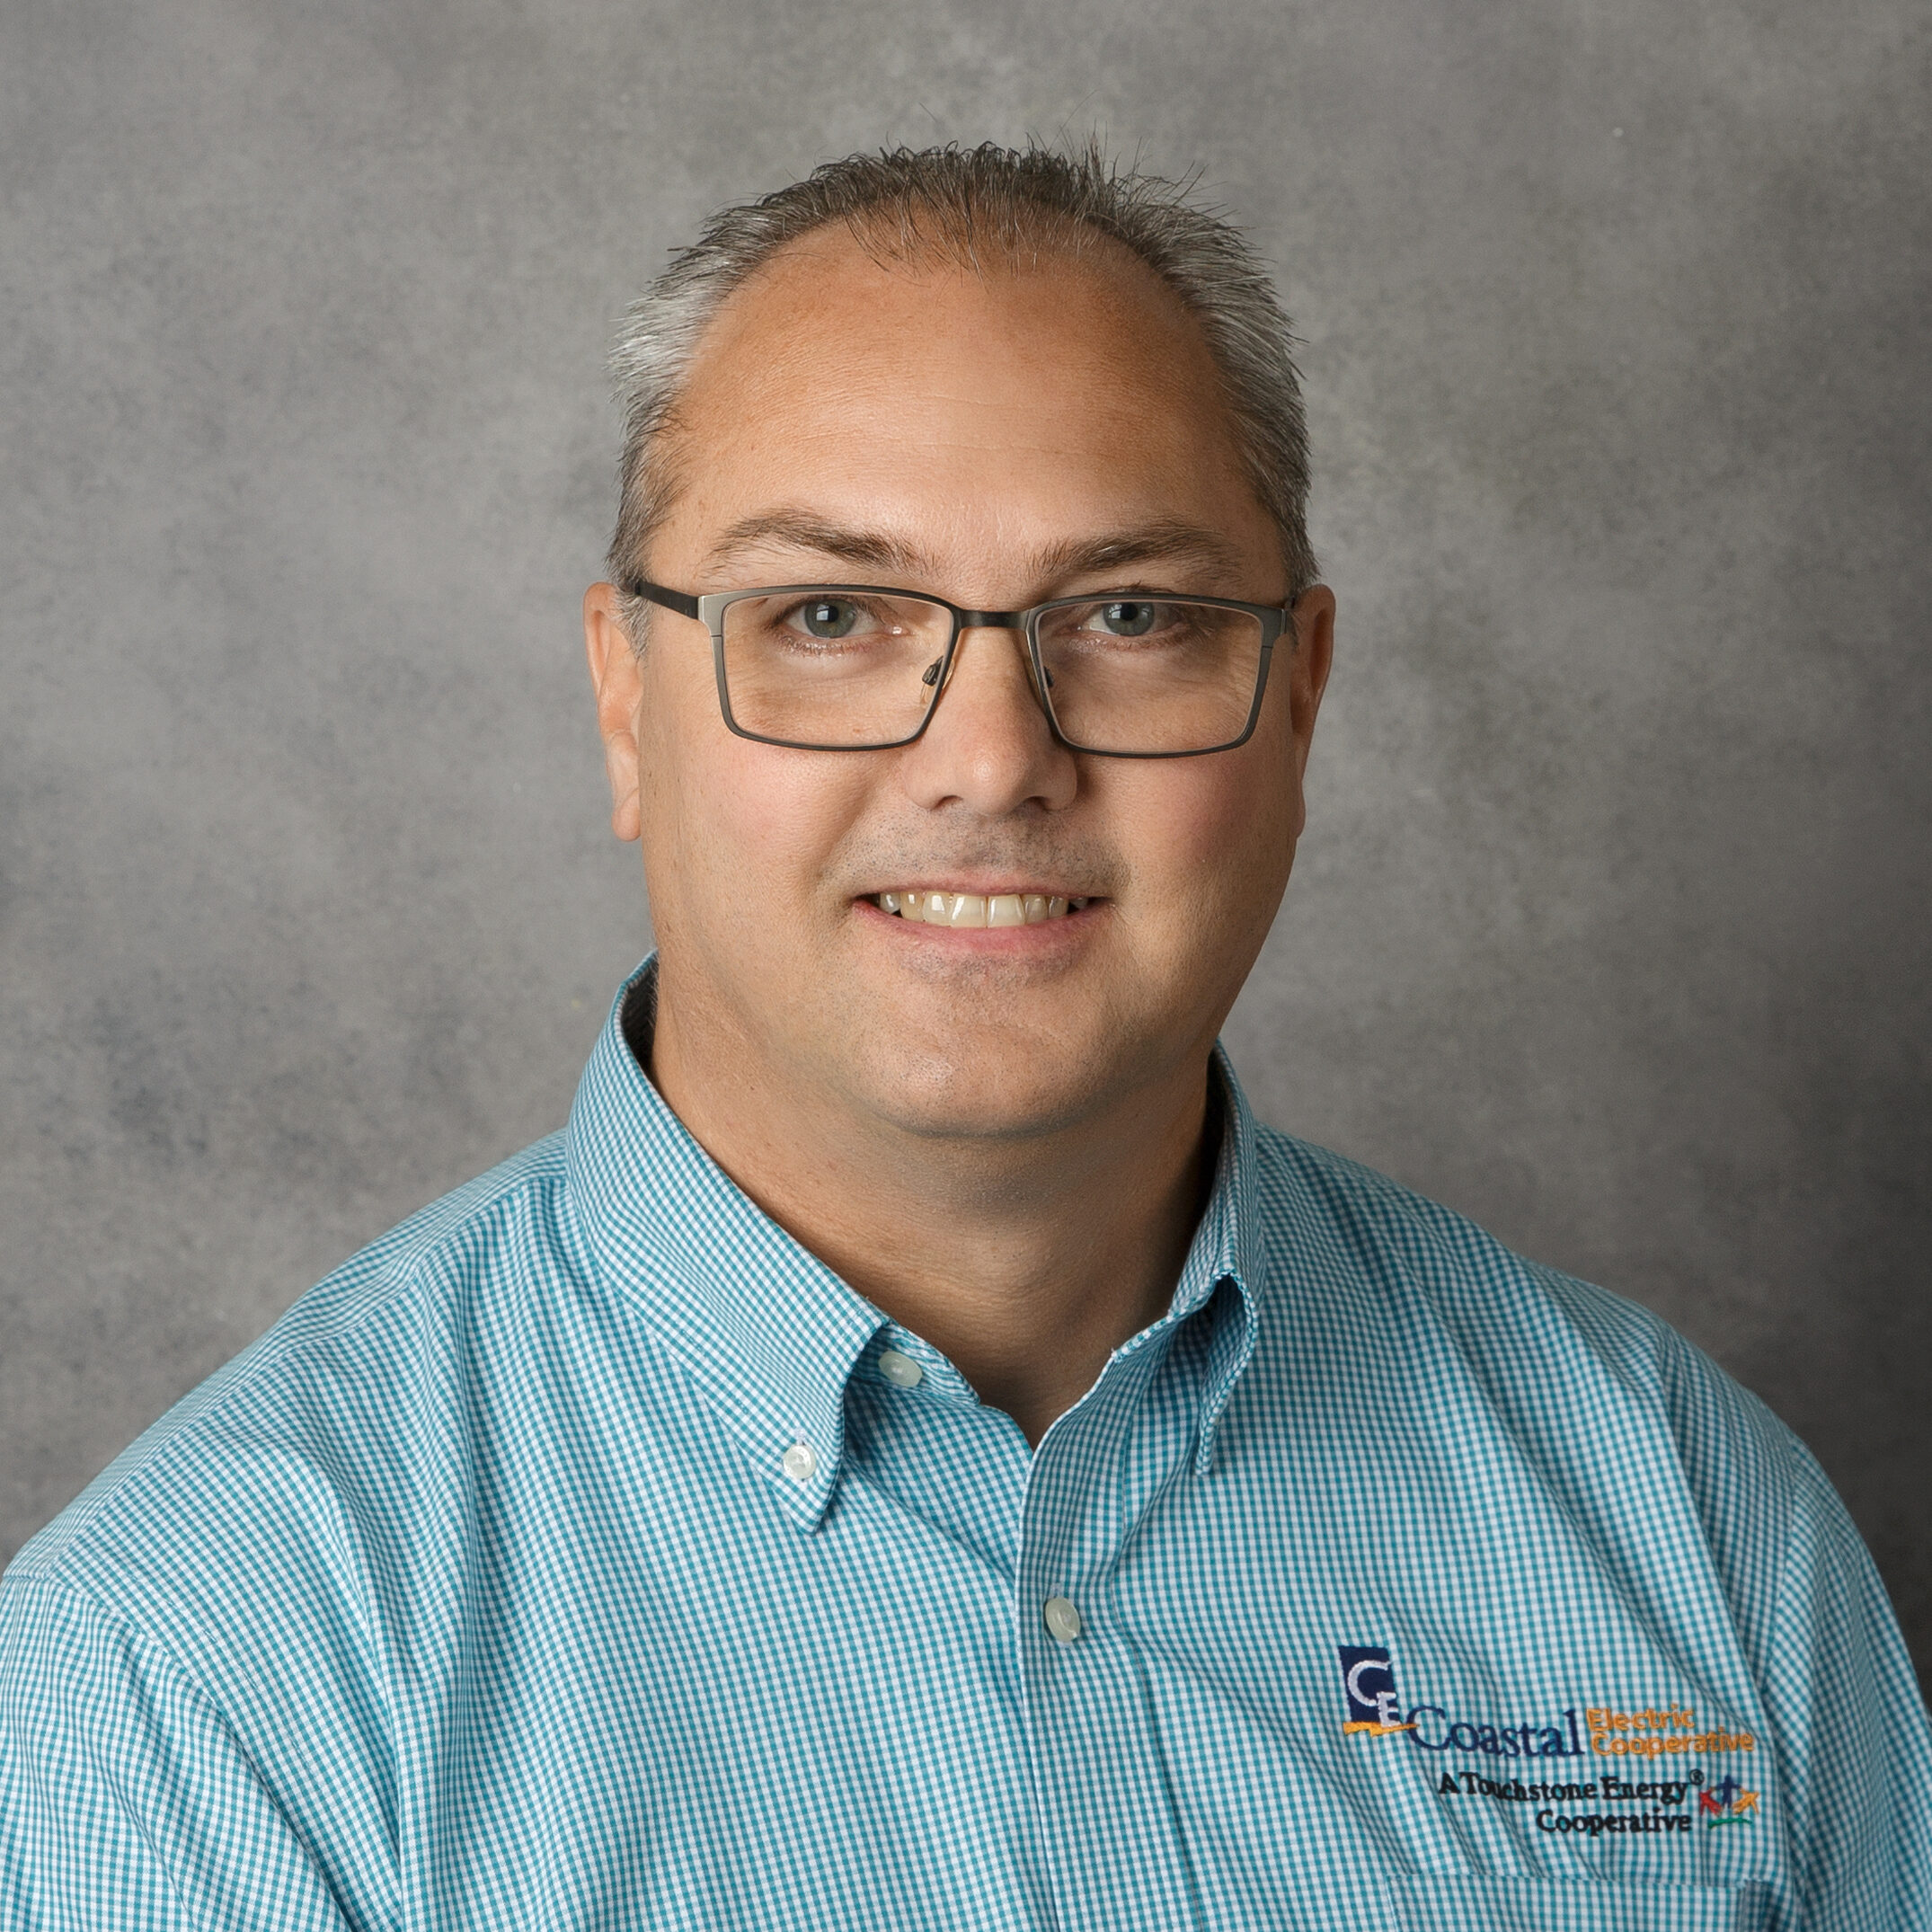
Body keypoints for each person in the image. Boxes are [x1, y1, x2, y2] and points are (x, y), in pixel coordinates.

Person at [1, 142, 1925, 1931]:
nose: (992, 757)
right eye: (832, 612)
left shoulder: (1681, 1517)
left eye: (1132, 612)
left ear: (1302, 697)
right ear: (623, 700)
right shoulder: (203, 1664)